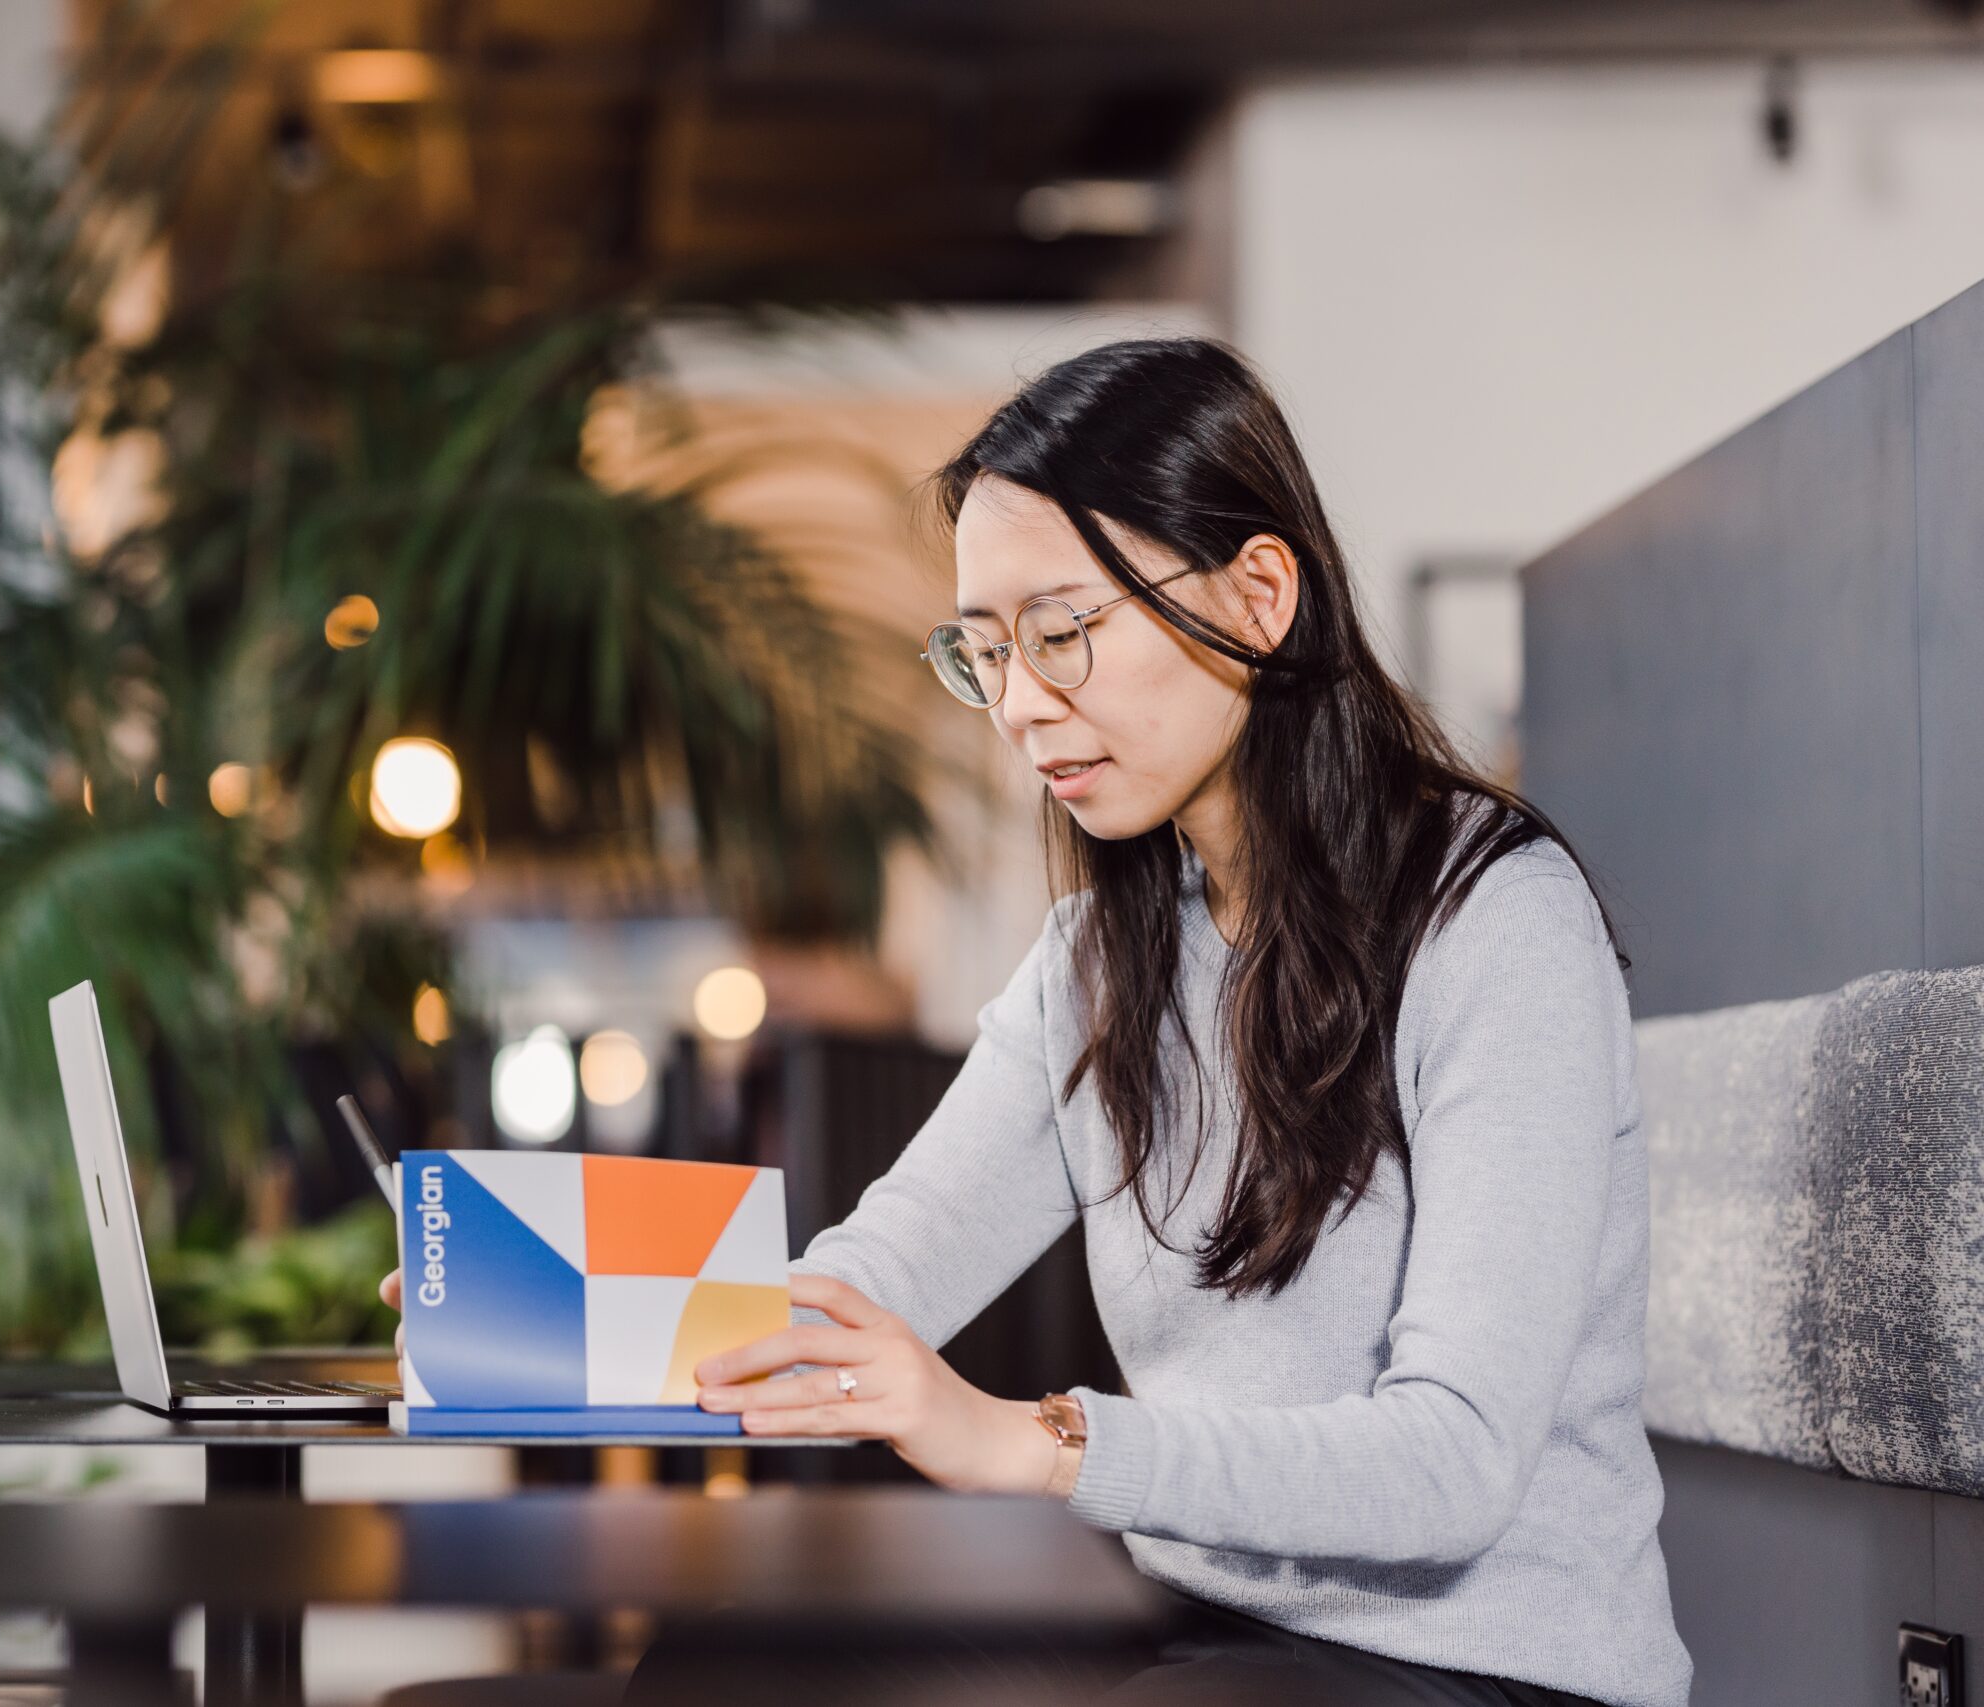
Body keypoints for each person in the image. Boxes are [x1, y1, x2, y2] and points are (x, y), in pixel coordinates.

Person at [382, 337, 1692, 1707]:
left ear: (1258, 596)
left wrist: (1034, 1443)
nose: (1017, 705)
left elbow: (1458, 1465)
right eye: (986, 651)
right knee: (741, 1656)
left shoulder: (1493, 921)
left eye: (1061, 634)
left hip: (1486, 1667)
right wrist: (542, 1310)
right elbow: (871, 1283)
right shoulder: (1098, 963)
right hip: (1201, 1624)